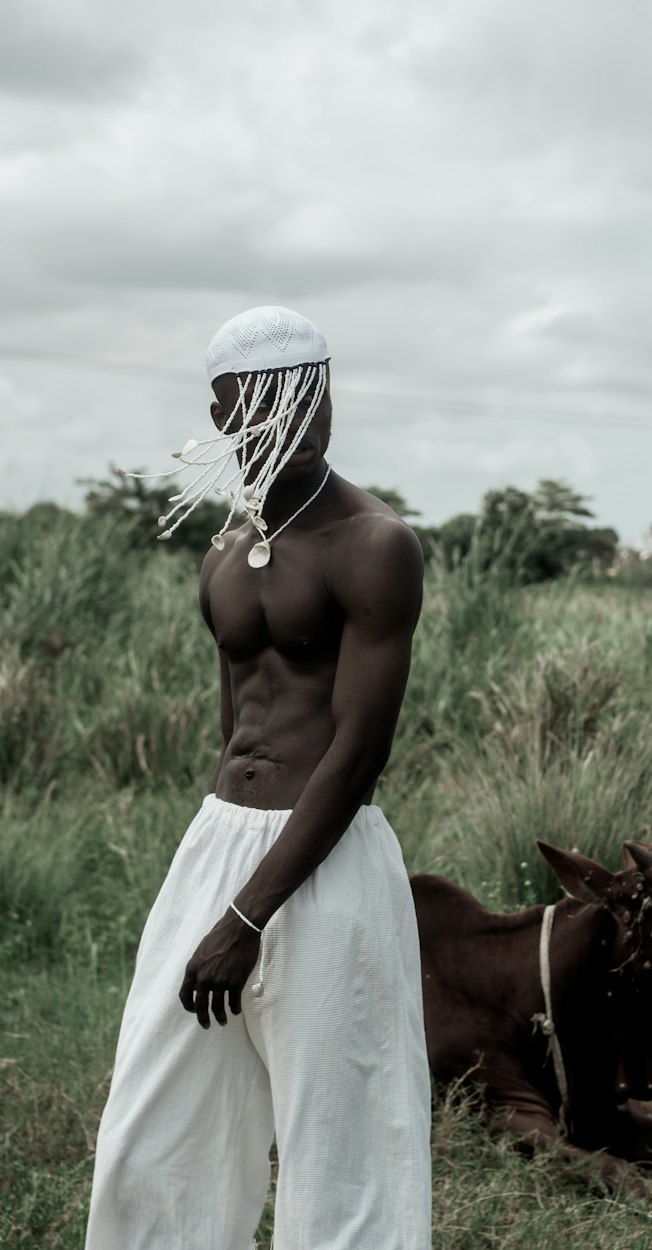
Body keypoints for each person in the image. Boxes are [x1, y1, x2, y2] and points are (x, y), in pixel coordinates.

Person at [86, 306, 432, 1250]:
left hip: (327, 861)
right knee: (153, 1133)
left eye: (312, 398)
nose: (300, 420)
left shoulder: (376, 545)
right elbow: (239, 730)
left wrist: (248, 919)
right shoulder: (222, 558)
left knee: (345, 1146)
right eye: (272, 402)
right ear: (223, 411)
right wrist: (216, 878)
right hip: (221, 843)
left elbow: (357, 752)